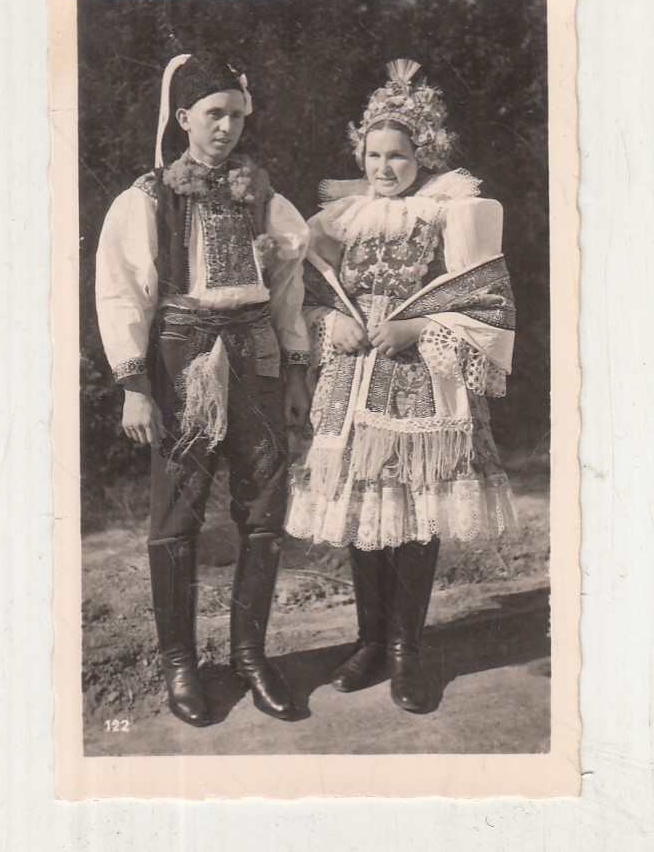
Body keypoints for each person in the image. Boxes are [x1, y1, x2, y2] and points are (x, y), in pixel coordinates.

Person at [286, 60, 517, 713]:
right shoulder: (339, 218)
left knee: (415, 512)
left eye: (398, 156)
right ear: (359, 155)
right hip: (354, 380)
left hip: (422, 380)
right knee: (364, 509)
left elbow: (485, 297)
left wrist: (417, 326)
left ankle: (405, 651)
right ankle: (369, 641)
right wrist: (330, 321)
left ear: (423, 155)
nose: (384, 167)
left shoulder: (450, 213)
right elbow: (305, 293)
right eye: (374, 155)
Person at [95, 52, 311, 727]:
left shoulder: (265, 197)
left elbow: (289, 288)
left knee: (265, 508)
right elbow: (121, 292)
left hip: (257, 359)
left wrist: (296, 372)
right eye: (213, 113)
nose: (226, 127)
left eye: (237, 115)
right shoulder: (147, 198)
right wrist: (134, 384)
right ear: (183, 117)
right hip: (183, 360)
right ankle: (180, 665)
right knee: (178, 513)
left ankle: (250, 655)